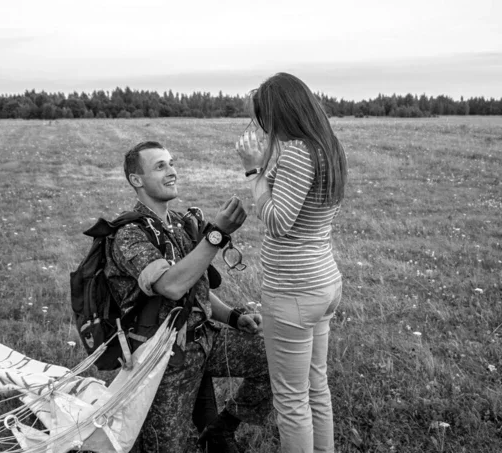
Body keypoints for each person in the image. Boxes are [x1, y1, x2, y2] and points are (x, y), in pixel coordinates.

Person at [104, 140, 273, 453]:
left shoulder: (180, 225)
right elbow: (171, 286)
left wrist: (234, 317)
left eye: (171, 163)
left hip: (205, 340)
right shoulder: (129, 234)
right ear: (136, 180)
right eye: (160, 166)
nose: (172, 171)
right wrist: (215, 236)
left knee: (277, 358)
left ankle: (222, 429)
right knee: (165, 446)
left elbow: (197, 291)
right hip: (164, 358)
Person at [235, 72, 347, 452]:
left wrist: (253, 172)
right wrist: (267, 167)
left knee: (291, 400)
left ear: (279, 113)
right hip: (322, 283)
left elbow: (278, 222)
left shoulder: (298, 152)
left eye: (263, 119)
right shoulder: (327, 148)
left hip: (294, 291)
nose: (263, 128)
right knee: (316, 387)